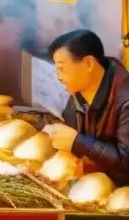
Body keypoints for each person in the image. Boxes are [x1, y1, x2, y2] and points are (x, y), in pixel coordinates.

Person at [49, 29, 129, 180]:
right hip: (92, 180)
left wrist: (78, 142)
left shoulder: (125, 99)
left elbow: (126, 160)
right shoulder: (78, 90)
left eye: (62, 68)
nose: (59, 77)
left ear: (88, 64)